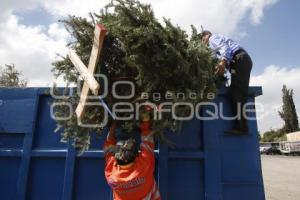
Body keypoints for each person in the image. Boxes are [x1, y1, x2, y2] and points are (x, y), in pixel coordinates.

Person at [199, 30, 253, 134]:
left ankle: (242, 127)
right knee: (238, 92)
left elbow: (224, 47)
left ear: (207, 35)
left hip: (239, 60)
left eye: (203, 40)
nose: (203, 43)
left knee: (237, 92)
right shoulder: (213, 48)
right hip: (240, 61)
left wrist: (223, 61)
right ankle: (242, 126)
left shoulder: (212, 38)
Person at [103, 118, 161, 200]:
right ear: (136, 156)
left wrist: (113, 126)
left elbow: (108, 149)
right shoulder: (143, 166)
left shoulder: (112, 174)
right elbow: (108, 148)